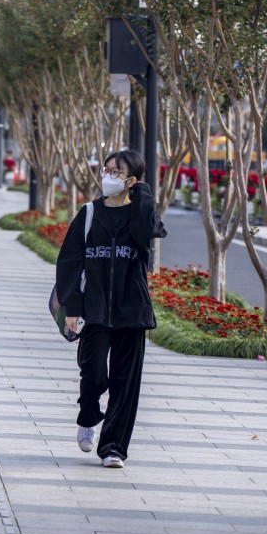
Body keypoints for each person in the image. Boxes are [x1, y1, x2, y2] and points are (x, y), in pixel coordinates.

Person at [54, 150, 167, 469]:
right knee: (93, 371)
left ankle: (113, 447)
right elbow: (70, 260)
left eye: (117, 172)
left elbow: (153, 232)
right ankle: (88, 416)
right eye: (107, 170)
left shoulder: (141, 214)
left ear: (132, 179)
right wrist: (72, 306)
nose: (108, 176)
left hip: (132, 308)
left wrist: (142, 192)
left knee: (124, 381)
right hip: (96, 306)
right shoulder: (89, 213)